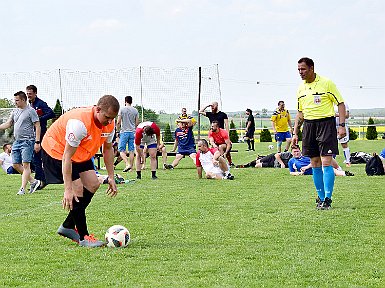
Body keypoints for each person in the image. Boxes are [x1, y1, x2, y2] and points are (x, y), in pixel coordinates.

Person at [41, 95, 119, 247]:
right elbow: (66, 157)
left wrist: (111, 177)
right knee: (77, 189)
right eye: (107, 117)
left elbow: (108, 149)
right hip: (56, 150)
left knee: (93, 184)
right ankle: (84, 238)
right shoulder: (79, 124)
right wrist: (68, 189)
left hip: (80, 152)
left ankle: (67, 226)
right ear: (97, 109)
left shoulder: (110, 124)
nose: (109, 122)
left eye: (113, 118)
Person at [293, 57, 346, 210]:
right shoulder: (300, 88)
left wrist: (341, 126)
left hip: (326, 124)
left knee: (326, 162)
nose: (300, 72)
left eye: (303, 69)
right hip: (309, 126)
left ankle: (328, 199)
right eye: (298, 70)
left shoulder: (327, 83)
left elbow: (340, 104)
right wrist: (295, 132)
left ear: (311, 68)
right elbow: (300, 113)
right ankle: (321, 197)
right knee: (315, 163)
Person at [0, 91, 41, 194]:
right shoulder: (15, 111)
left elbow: (37, 126)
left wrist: (37, 142)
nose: (15, 102)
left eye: (17, 100)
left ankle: (22, 189)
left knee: (26, 165)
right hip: (17, 141)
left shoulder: (31, 111)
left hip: (28, 141)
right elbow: (9, 123)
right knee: (15, 165)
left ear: (23, 100)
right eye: (15, 100)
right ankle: (33, 181)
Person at [26, 85, 55, 190]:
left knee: (39, 157)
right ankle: (41, 180)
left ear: (35, 93)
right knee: (36, 158)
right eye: (27, 93)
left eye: (30, 93)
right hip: (32, 134)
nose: (28, 95)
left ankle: (42, 179)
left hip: (41, 133)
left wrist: (39, 119)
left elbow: (51, 113)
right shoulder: (29, 105)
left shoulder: (41, 103)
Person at [288, 145, 354, 177]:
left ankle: (340, 170)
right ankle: (344, 173)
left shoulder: (306, 156)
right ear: (291, 153)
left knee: (328, 157)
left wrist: (306, 167)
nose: (296, 153)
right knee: (331, 171)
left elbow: (315, 161)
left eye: (297, 151)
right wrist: (299, 173)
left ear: (300, 151)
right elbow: (291, 172)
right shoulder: (291, 161)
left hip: (317, 165)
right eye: (294, 152)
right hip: (313, 171)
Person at [116, 96, 139, 172]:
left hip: (124, 132)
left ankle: (127, 164)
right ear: (131, 101)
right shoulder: (135, 110)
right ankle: (131, 168)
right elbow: (137, 123)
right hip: (132, 132)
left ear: (125, 101)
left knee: (121, 150)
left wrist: (117, 131)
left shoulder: (122, 109)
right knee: (131, 150)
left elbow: (118, 122)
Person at [335, 102, 351, 167]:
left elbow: (347, 115)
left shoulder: (344, 103)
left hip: (342, 126)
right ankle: (331, 161)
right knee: (331, 144)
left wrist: (336, 115)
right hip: (332, 126)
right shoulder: (330, 103)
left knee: (344, 144)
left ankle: (348, 161)